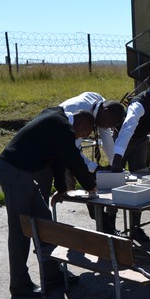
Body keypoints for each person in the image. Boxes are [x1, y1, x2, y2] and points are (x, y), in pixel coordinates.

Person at [0, 107, 98, 298]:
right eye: (85, 133)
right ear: (83, 123)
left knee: (44, 222)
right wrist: (91, 185)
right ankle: (19, 283)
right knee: (21, 230)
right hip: (14, 172)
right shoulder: (61, 125)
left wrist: (61, 188)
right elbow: (72, 158)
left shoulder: (57, 120)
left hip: (22, 174)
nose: (80, 138)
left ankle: (52, 274)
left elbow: (57, 159)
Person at [111, 65, 150, 243]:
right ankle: (108, 227)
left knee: (139, 183)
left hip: (140, 141)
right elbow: (127, 128)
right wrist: (117, 158)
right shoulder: (139, 103)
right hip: (122, 140)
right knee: (114, 181)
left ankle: (135, 228)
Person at [52, 92, 125, 234]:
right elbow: (73, 154)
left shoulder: (102, 108)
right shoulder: (77, 115)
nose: (107, 127)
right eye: (109, 124)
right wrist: (95, 168)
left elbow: (107, 138)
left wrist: (114, 163)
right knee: (68, 188)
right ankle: (52, 235)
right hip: (57, 150)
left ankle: (107, 227)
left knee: (94, 184)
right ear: (105, 112)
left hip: (70, 149)